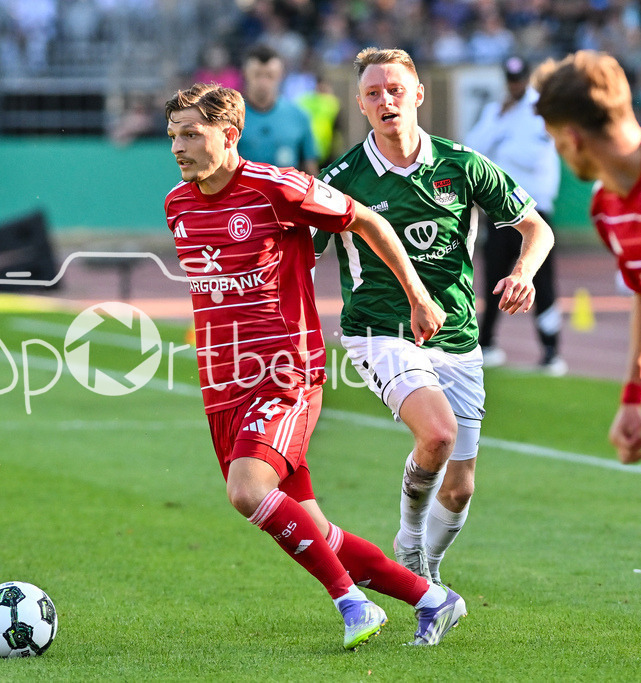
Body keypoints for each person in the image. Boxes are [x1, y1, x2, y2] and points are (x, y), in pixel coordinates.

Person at [164, 82, 467, 650]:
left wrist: (417, 295)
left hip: (286, 373)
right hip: (222, 385)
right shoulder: (177, 205)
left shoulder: (277, 187)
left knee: (247, 491)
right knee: (316, 530)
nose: (178, 147)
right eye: (173, 135)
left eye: (191, 134)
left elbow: (368, 222)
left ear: (229, 135)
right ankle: (432, 600)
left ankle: (352, 603)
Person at [314, 48, 555, 585]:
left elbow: (537, 228)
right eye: (373, 93)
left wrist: (523, 273)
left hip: (457, 334)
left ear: (418, 95)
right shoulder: (342, 179)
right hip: (380, 331)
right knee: (438, 435)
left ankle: (430, 571)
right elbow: (301, 253)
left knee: (461, 487)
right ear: (360, 104)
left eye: (395, 90)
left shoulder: (462, 165)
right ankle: (408, 543)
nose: (386, 100)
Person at [534, 50, 641, 464]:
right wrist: (633, 396)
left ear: (573, 138)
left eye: (555, 141)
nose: (559, 152)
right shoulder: (605, 208)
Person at [466, 55, 566, 375]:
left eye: (519, 78)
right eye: (511, 80)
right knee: (493, 280)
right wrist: (500, 124)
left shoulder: (540, 108)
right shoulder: (497, 110)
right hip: (500, 212)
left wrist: (500, 148)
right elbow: (472, 148)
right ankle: (487, 343)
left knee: (542, 283)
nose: (515, 85)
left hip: (536, 212)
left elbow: (534, 157)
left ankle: (551, 351)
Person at [238, 43, 319, 176]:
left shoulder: (298, 116)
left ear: (281, 75)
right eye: (257, 75)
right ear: (245, 73)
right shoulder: (230, 117)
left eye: (270, 75)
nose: (263, 82)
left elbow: (311, 170)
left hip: (286, 189)